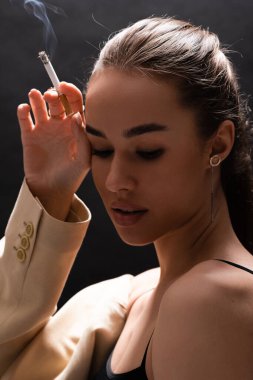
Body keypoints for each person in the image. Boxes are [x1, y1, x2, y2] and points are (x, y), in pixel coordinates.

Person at [1, 16, 253, 380]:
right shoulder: (133, 297)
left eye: (148, 151)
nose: (117, 180)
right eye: (101, 149)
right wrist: (50, 190)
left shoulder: (210, 300)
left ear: (218, 144)